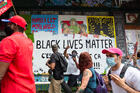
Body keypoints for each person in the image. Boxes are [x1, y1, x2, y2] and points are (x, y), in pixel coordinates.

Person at [0, 15, 36, 93]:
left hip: (13, 89)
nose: (6, 26)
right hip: (29, 89)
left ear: (15, 26)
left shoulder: (9, 41)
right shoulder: (28, 42)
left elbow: (0, 73)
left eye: (9, 24)